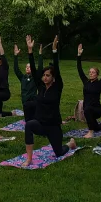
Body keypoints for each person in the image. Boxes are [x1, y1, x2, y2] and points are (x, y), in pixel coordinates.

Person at [23, 34, 76, 166]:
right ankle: (29, 158)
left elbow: (56, 69)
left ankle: (70, 144)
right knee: (28, 125)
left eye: (48, 75)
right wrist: (30, 51)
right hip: (40, 123)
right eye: (44, 76)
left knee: (59, 152)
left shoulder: (57, 87)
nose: (45, 78)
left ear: (53, 77)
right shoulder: (41, 87)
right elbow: (34, 71)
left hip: (53, 126)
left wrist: (54, 50)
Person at [76, 44, 101, 138]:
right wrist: (79, 55)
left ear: (97, 74)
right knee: (96, 126)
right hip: (87, 109)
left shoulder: (100, 83)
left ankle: (90, 132)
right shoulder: (86, 82)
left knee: (88, 110)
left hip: (97, 110)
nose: (91, 73)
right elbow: (79, 69)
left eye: (93, 72)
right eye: (90, 72)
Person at [13, 43, 40, 121]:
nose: (28, 68)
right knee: (28, 119)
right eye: (27, 67)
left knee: (34, 118)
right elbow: (16, 69)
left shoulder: (35, 78)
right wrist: (15, 56)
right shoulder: (23, 78)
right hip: (25, 101)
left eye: (30, 67)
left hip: (33, 101)